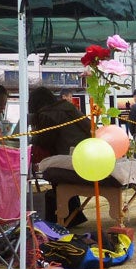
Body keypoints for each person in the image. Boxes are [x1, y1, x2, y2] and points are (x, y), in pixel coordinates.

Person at [29, 86, 92, 226]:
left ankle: (66, 217)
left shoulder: (47, 114)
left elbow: (46, 142)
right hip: (89, 156)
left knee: (52, 170)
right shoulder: (68, 108)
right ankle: (74, 216)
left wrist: (33, 137)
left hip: (72, 160)